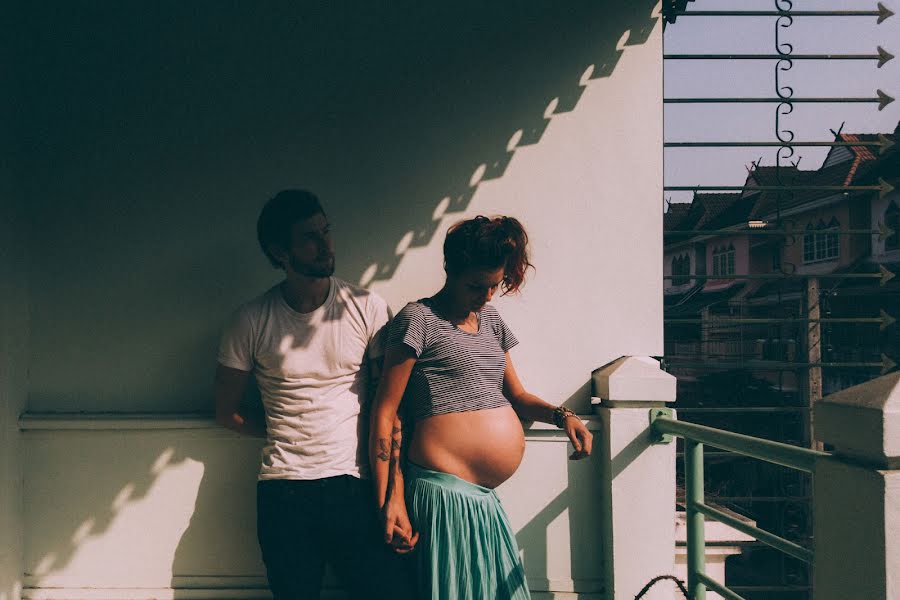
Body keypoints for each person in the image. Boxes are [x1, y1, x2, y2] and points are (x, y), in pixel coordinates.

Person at [369, 215, 594, 600]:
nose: (486, 296)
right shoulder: (418, 320)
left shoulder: (490, 320)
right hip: (442, 497)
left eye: (495, 286)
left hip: (483, 505)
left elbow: (518, 396)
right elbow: (386, 412)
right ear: (450, 270)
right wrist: (388, 500)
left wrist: (563, 416)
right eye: (476, 286)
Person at [215, 189, 416, 600]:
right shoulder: (250, 319)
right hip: (284, 489)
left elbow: (389, 411)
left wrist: (395, 495)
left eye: (326, 231)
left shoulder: (367, 306)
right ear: (279, 251)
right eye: (309, 237)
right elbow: (227, 413)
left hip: (355, 485)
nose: (325, 244)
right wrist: (289, 433)